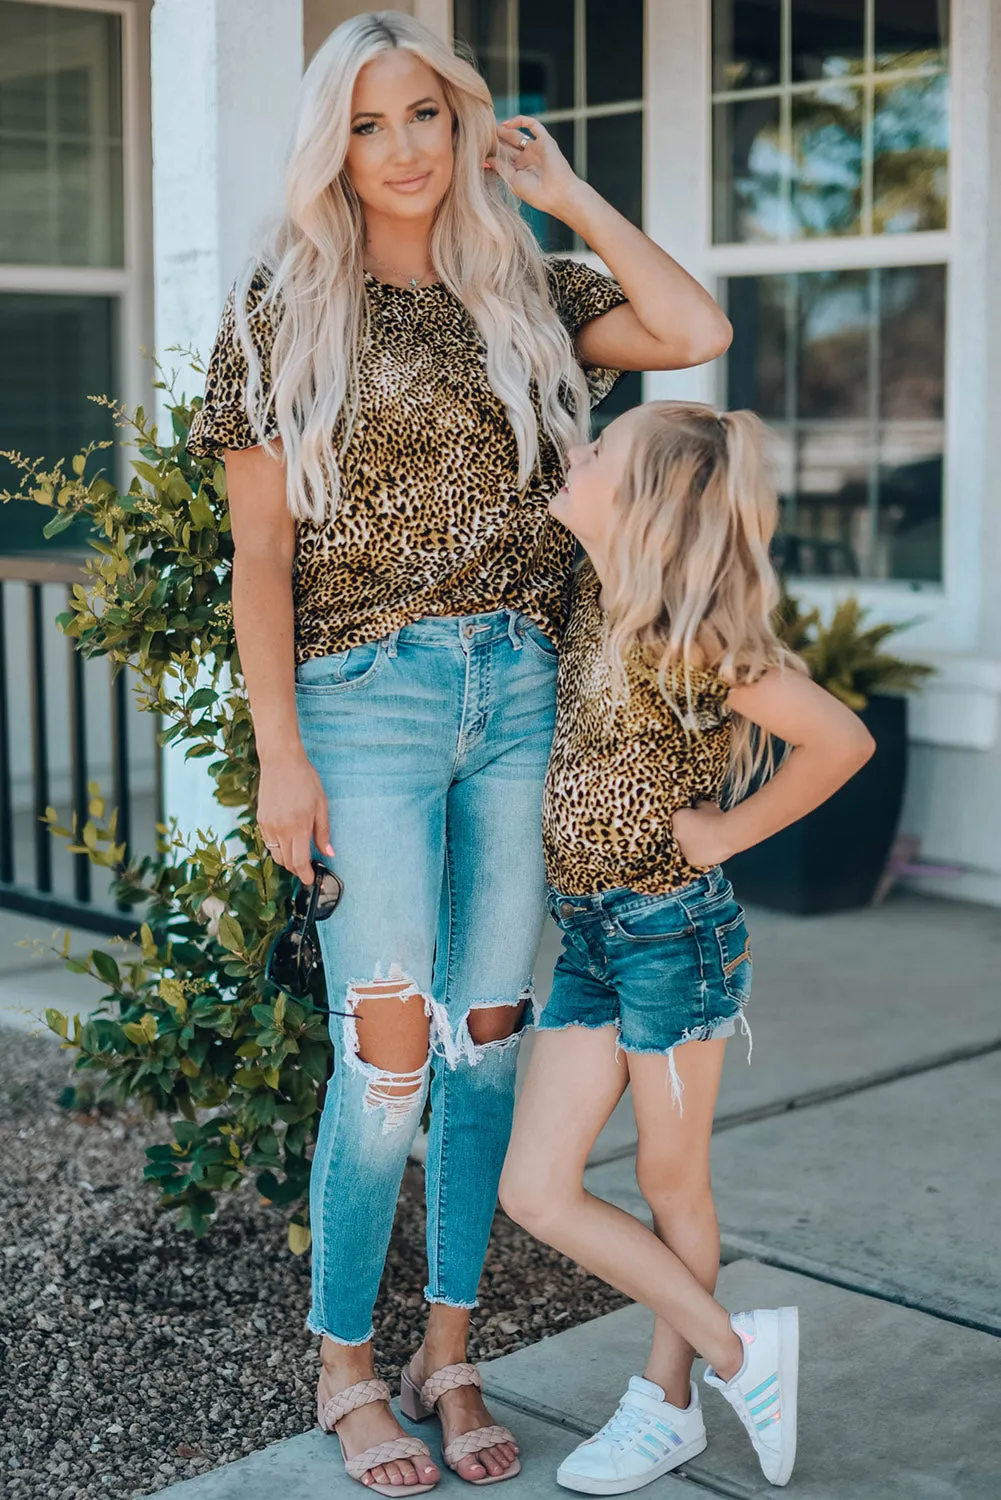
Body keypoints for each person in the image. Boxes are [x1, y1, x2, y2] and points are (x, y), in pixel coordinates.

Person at [186, 11, 732, 1496]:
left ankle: (449, 1347)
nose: (403, 149)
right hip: (365, 699)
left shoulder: (528, 295)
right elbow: (257, 561)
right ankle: (346, 1367)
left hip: (523, 691)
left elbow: (695, 334)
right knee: (384, 1064)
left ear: (461, 118)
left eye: (422, 114)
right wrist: (278, 754)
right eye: (367, 126)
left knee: (487, 1039)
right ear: (332, 147)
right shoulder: (280, 313)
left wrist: (569, 198)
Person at [500, 401, 875, 1492]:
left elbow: (839, 739)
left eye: (598, 450)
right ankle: (736, 1349)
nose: (575, 455)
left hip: (670, 936)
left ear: (642, 501)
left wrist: (723, 829)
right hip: (589, 937)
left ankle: (665, 1406)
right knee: (537, 1191)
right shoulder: (588, 598)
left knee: (673, 1187)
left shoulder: (688, 637)